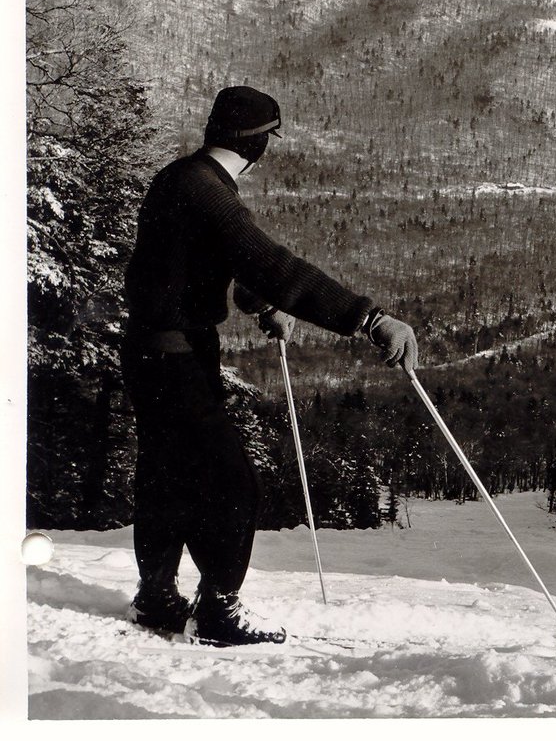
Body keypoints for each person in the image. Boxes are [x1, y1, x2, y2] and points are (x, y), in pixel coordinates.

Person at [121, 85, 418, 646]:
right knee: (231, 481)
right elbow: (271, 262)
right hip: (176, 356)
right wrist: (371, 319)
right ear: (260, 142)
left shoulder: (181, 177)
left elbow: (202, 261)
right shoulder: (208, 192)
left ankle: (157, 596)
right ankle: (218, 611)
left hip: (152, 350)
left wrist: (260, 304)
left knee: (166, 474)